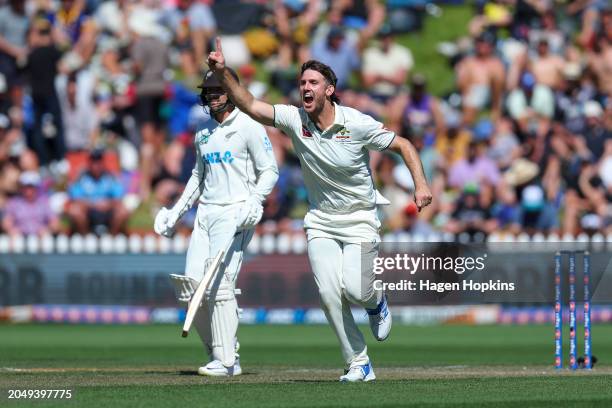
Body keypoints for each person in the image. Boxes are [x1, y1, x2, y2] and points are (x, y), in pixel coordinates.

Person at [207, 38, 432, 382]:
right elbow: (251, 104)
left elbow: (403, 144)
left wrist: (421, 184)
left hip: (359, 218)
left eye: (313, 83)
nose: (306, 88)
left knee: (358, 291)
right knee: (329, 293)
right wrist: (223, 73)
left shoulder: (355, 122)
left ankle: (376, 302)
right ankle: (359, 363)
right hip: (321, 221)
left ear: (329, 89)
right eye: (302, 83)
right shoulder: (295, 119)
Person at [153, 67, 278, 377]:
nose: (213, 97)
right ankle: (216, 353)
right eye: (208, 92)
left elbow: (270, 171)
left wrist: (254, 201)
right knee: (191, 287)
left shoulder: (249, 126)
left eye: (218, 91)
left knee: (220, 285)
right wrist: (175, 211)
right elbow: (198, 177)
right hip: (206, 214)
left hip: (235, 212)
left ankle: (226, 361)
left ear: (231, 93)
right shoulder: (203, 132)